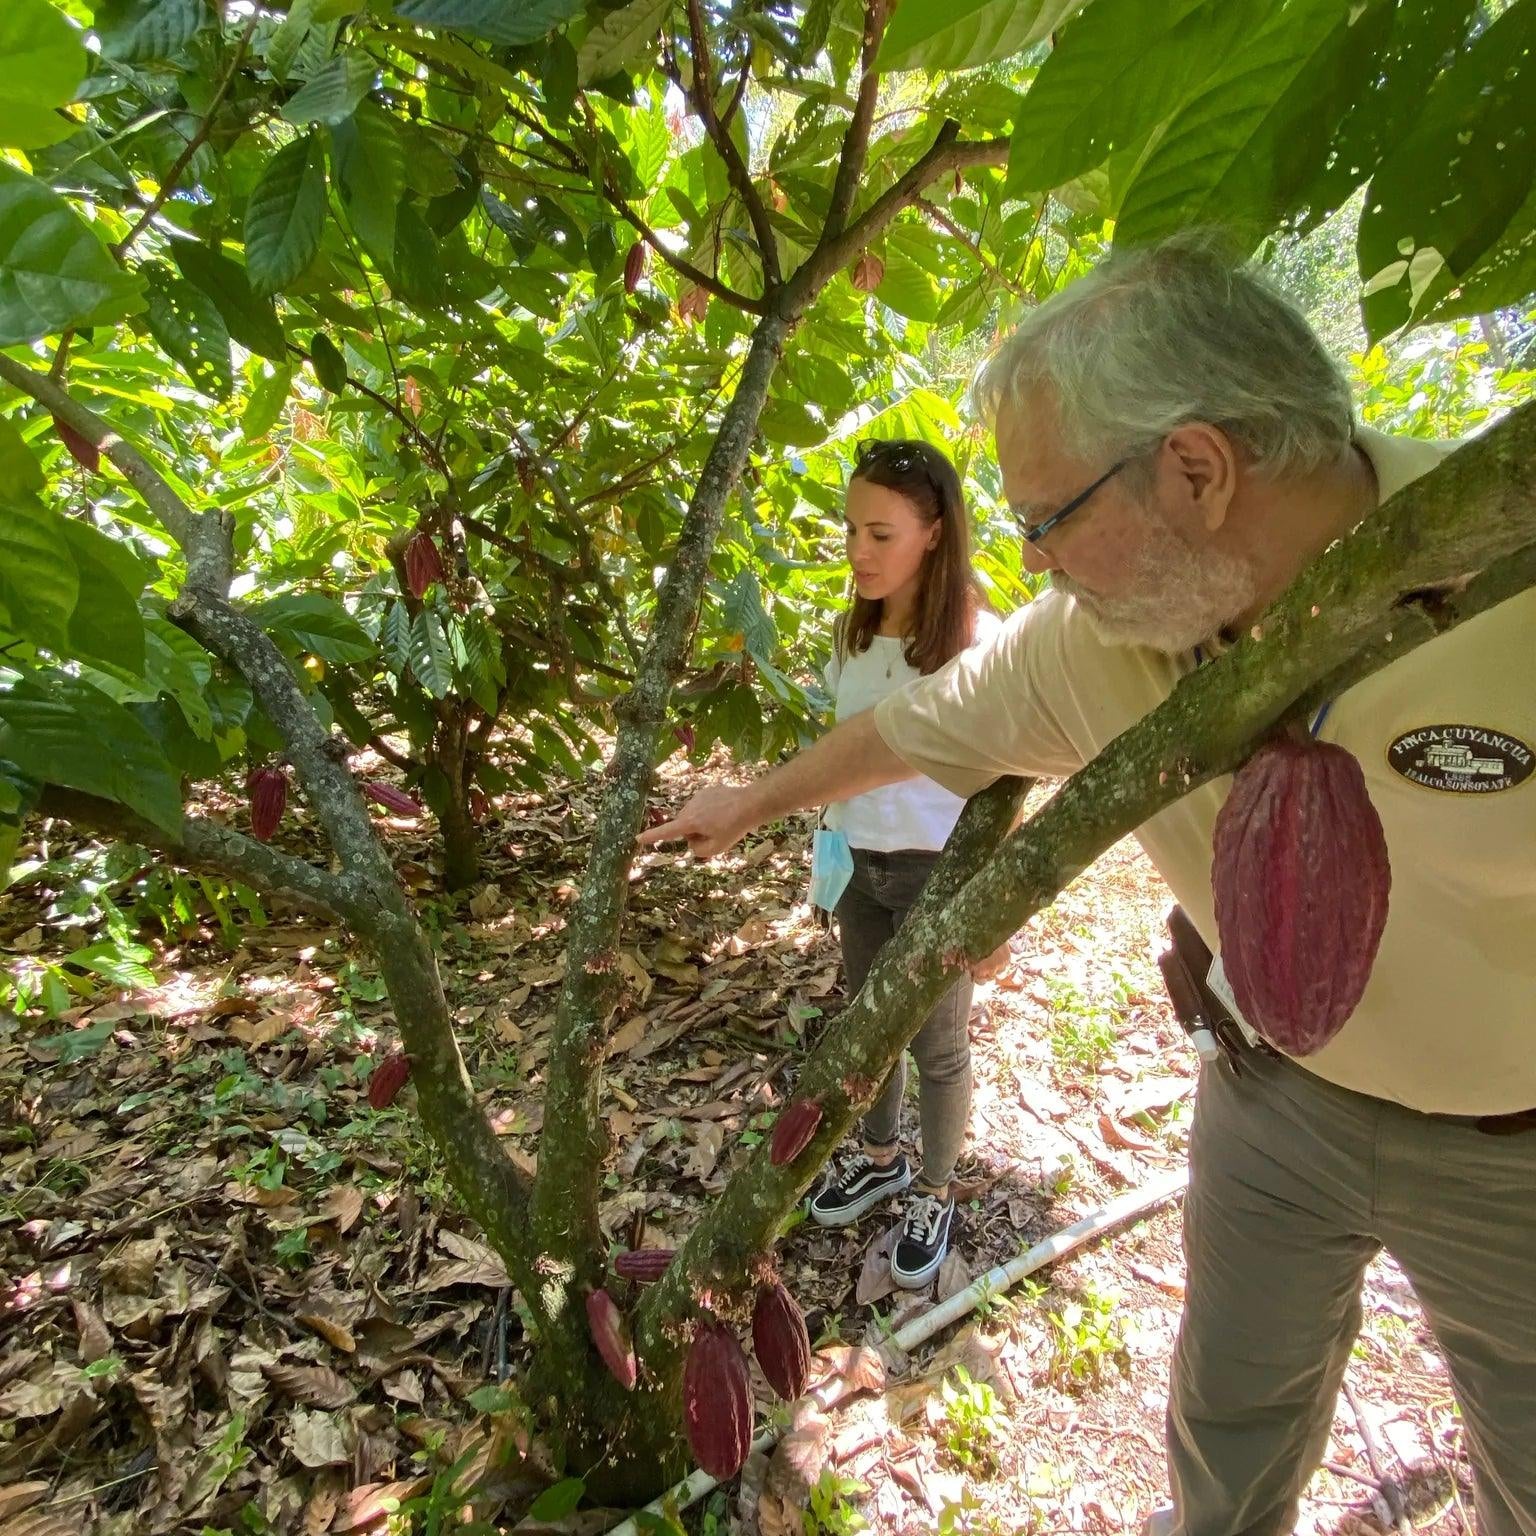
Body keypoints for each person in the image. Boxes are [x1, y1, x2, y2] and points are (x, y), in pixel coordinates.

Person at [643, 235, 1536, 1536]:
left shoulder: (1509, 582)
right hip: (1272, 1104)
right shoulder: (1101, 645)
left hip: (1513, 1151)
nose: (1036, 565)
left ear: (1196, 469)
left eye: (1047, 520)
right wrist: (754, 801)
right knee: (1229, 1431)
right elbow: (916, 727)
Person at [803, 437, 1000, 1288]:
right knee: (866, 1024)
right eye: (851, 530)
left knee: (938, 1044)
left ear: (933, 532)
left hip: (933, 870)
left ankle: (936, 1186)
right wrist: (828, 853)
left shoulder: (973, 640)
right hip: (862, 863)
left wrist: (995, 909)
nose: (859, 552)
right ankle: (880, 1155)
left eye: (881, 534)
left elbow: (999, 782)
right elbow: (841, 753)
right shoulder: (853, 632)